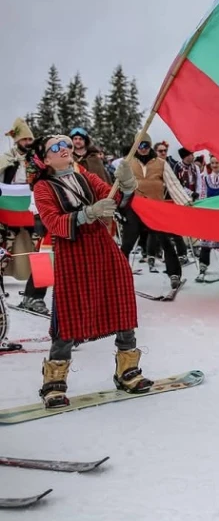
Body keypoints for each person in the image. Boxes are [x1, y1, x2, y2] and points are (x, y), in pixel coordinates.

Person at [28, 135, 152, 408]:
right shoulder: (43, 187)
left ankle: (127, 370)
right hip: (73, 254)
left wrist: (128, 183)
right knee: (69, 313)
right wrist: (87, 214)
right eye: (56, 148)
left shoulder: (85, 178)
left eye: (66, 145)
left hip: (102, 248)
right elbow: (52, 221)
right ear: (45, 159)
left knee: (122, 302)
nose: (64, 150)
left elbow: (117, 197)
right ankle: (54, 384)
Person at [120, 133, 191, 288]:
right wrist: (119, 207)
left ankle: (174, 274)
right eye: (140, 145)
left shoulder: (160, 163)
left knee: (165, 241)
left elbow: (173, 185)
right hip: (135, 208)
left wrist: (186, 204)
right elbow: (120, 186)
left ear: (149, 146)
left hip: (155, 208)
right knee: (127, 243)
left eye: (145, 145)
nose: (143, 149)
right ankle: (117, 275)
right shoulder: (128, 162)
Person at [1, 117, 49, 314]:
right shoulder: (7, 158)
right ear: (17, 141)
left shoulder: (36, 160)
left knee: (41, 249)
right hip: (9, 207)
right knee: (5, 246)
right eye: (24, 140)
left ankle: (35, 293)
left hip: (33, 208)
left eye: (30, 139)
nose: (28, 143)